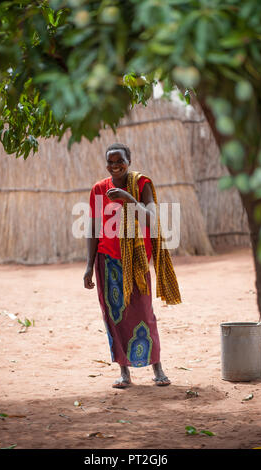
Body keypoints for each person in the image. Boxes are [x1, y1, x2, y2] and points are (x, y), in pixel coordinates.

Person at [83, 143, 181, 388]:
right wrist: (88, 265)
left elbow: (150, 220)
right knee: (114, 316)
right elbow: (93, 229)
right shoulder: (98, 189)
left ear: (129, 160)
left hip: (136, 261)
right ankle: (124, 372)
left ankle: (157, 368)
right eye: (110, 162)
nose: (115, 166)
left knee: (144, 311)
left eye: (120, 161)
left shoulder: (141, 184)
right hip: (107, 260)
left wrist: (127, 198)